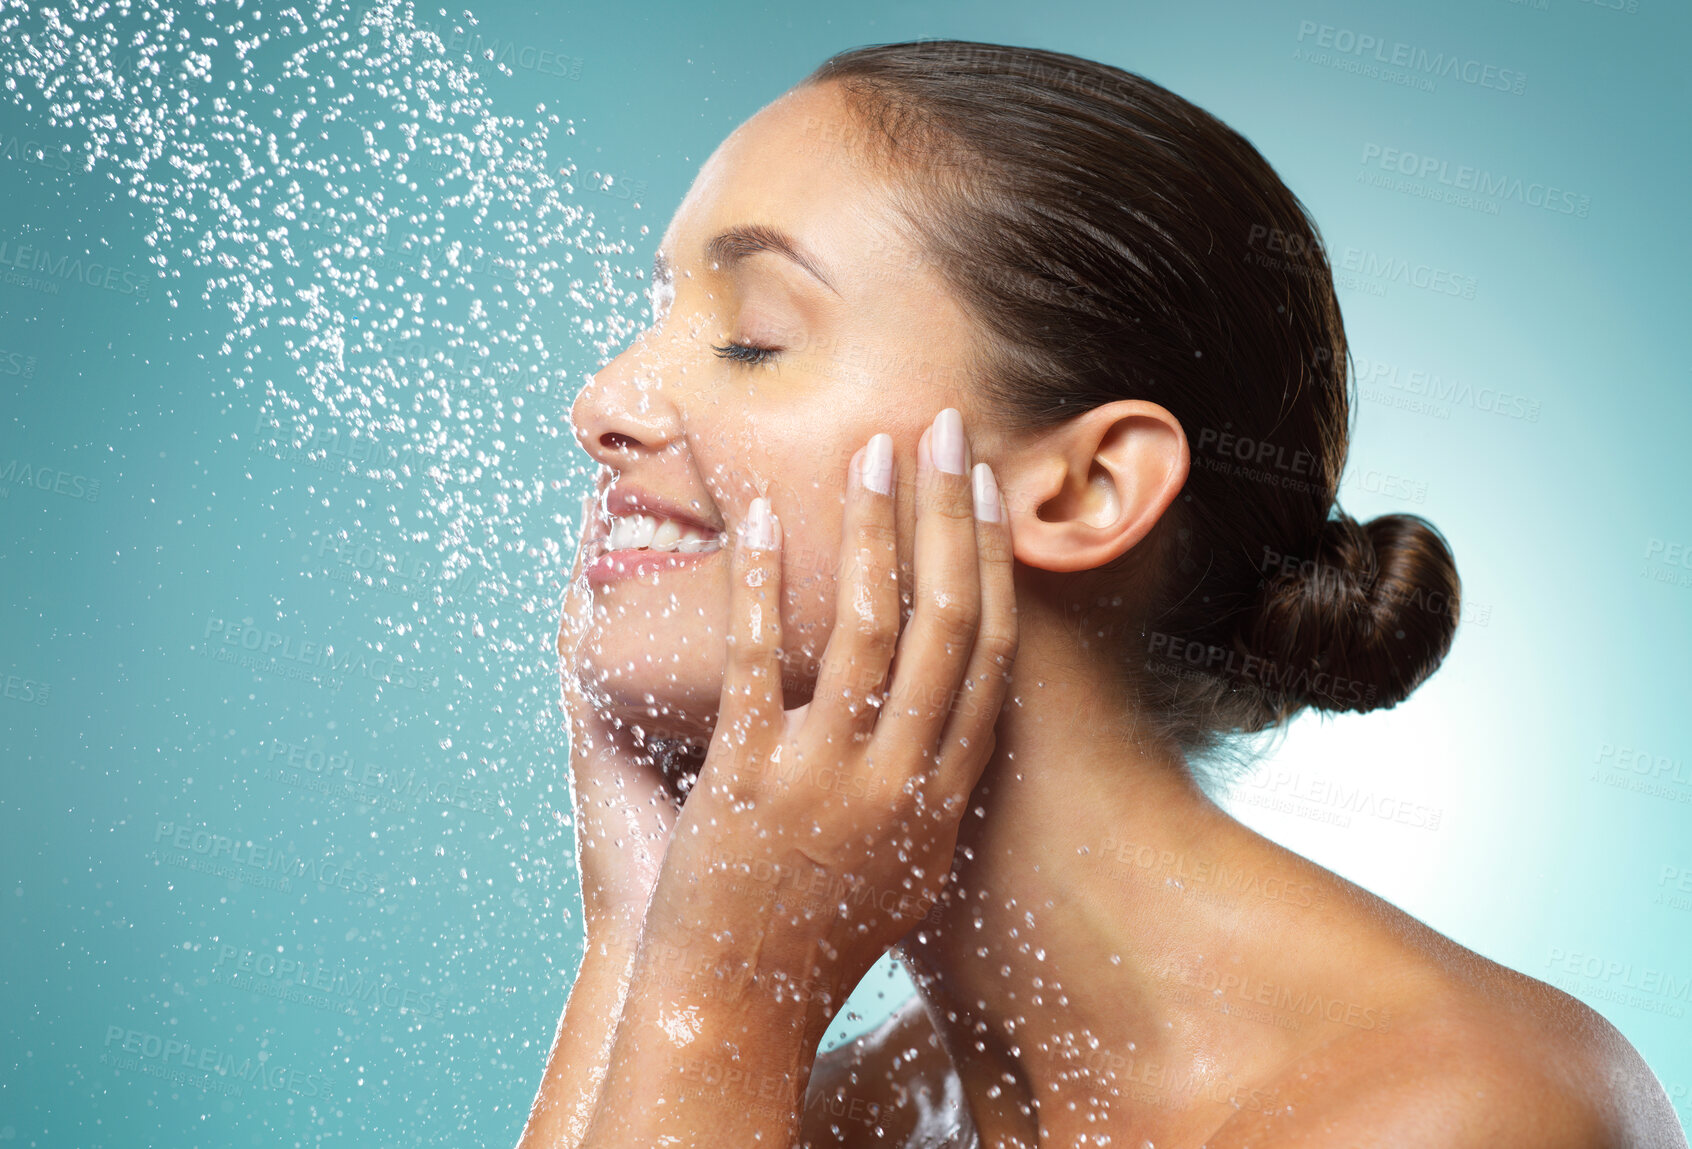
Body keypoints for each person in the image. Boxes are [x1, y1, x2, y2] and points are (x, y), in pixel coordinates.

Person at [519, 40, 1687, 1149]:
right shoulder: (837, 1106)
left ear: (1084, 489)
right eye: (658, 319)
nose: (602, 404)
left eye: (754, 339)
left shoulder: (1454, 1112)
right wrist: (640, 937)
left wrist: (717, 1004)